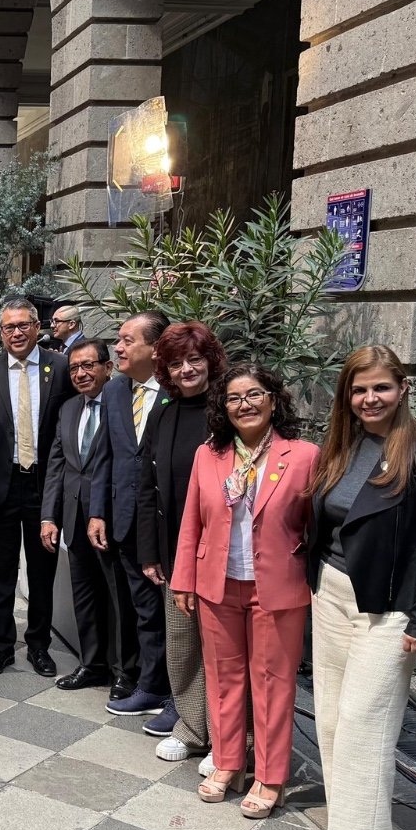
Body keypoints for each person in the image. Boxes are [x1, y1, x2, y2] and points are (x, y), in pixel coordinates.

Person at [305, 345, 416, 830]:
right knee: (330, 717)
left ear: (402, 389)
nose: (370, 398)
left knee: (364, 722)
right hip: (330, 592)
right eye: (359, 389)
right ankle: (346, 821)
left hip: (388, 606)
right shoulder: (342, 447)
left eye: (381, 387)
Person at [171, 364, 317, 820]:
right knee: (222, 678)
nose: (244, 405)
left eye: (254, 394)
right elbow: (191, 520)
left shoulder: (304, 455)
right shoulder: (208, 455)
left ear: (273, 399)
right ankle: (228, 761)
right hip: (217, 583)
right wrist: (183, 579)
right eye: (234, 398)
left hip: (277, 586)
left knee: (272, 683)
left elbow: (316, 526)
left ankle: (270, 776)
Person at [136, 322, 227, 755]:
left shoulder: (227, 410)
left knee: (224, 647)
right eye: (176, 364)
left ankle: (228, 739)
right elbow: (146, 485)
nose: (187, 369)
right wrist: (150, 551)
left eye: (194, 359)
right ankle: (191, 729)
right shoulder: (164, 412)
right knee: (183, 642)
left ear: (210, 361)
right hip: (174, 549)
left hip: (222, 550)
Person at [0, 296, 73, 678]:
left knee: (42, 570)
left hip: (45, 486)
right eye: (9, 327)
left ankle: (39, 645)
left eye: (23, 325)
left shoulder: (60, 368)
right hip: (0, 484)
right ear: (0, 333)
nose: (16, 333)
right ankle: (1, 646)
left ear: (37, 327)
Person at [95, 311, 173, 712]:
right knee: (142, 609)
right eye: (118, 339)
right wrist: (97, 512)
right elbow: (105, 455)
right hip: (125, 519)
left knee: (175, 614)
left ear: (156, 348)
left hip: (168, 523)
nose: (118, 348)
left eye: (128, 340)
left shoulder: (178, 391)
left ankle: (179, 692)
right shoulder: (114, 391)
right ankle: (150, 683)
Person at [41, 338, 116, 690]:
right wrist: (49, 516)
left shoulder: (122, 404)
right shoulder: (69, 408)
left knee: (118, 597)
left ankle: (126, 671)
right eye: (74, 368)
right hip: (74, 516)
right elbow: (57, 465)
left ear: (108, 367)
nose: (81, 373)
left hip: (111, 517)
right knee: (84, 594)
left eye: (88, 365)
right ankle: (93, 664)